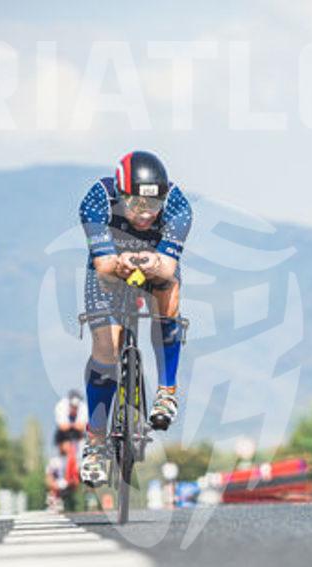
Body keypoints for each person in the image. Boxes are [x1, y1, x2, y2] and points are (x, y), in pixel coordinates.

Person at [78, 150, 192, 486]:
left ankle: (166, 392)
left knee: (168, 292)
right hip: (109, 269)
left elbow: (167, 269)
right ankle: (95, 444)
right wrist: (122, 262)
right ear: (120, 194)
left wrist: (149, 263)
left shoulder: (178, 206)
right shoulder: (97, 200)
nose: (144, 214)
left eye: (153, 206)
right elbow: (103, 267)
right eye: (135, 205)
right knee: (107, 347)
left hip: (154, 265)